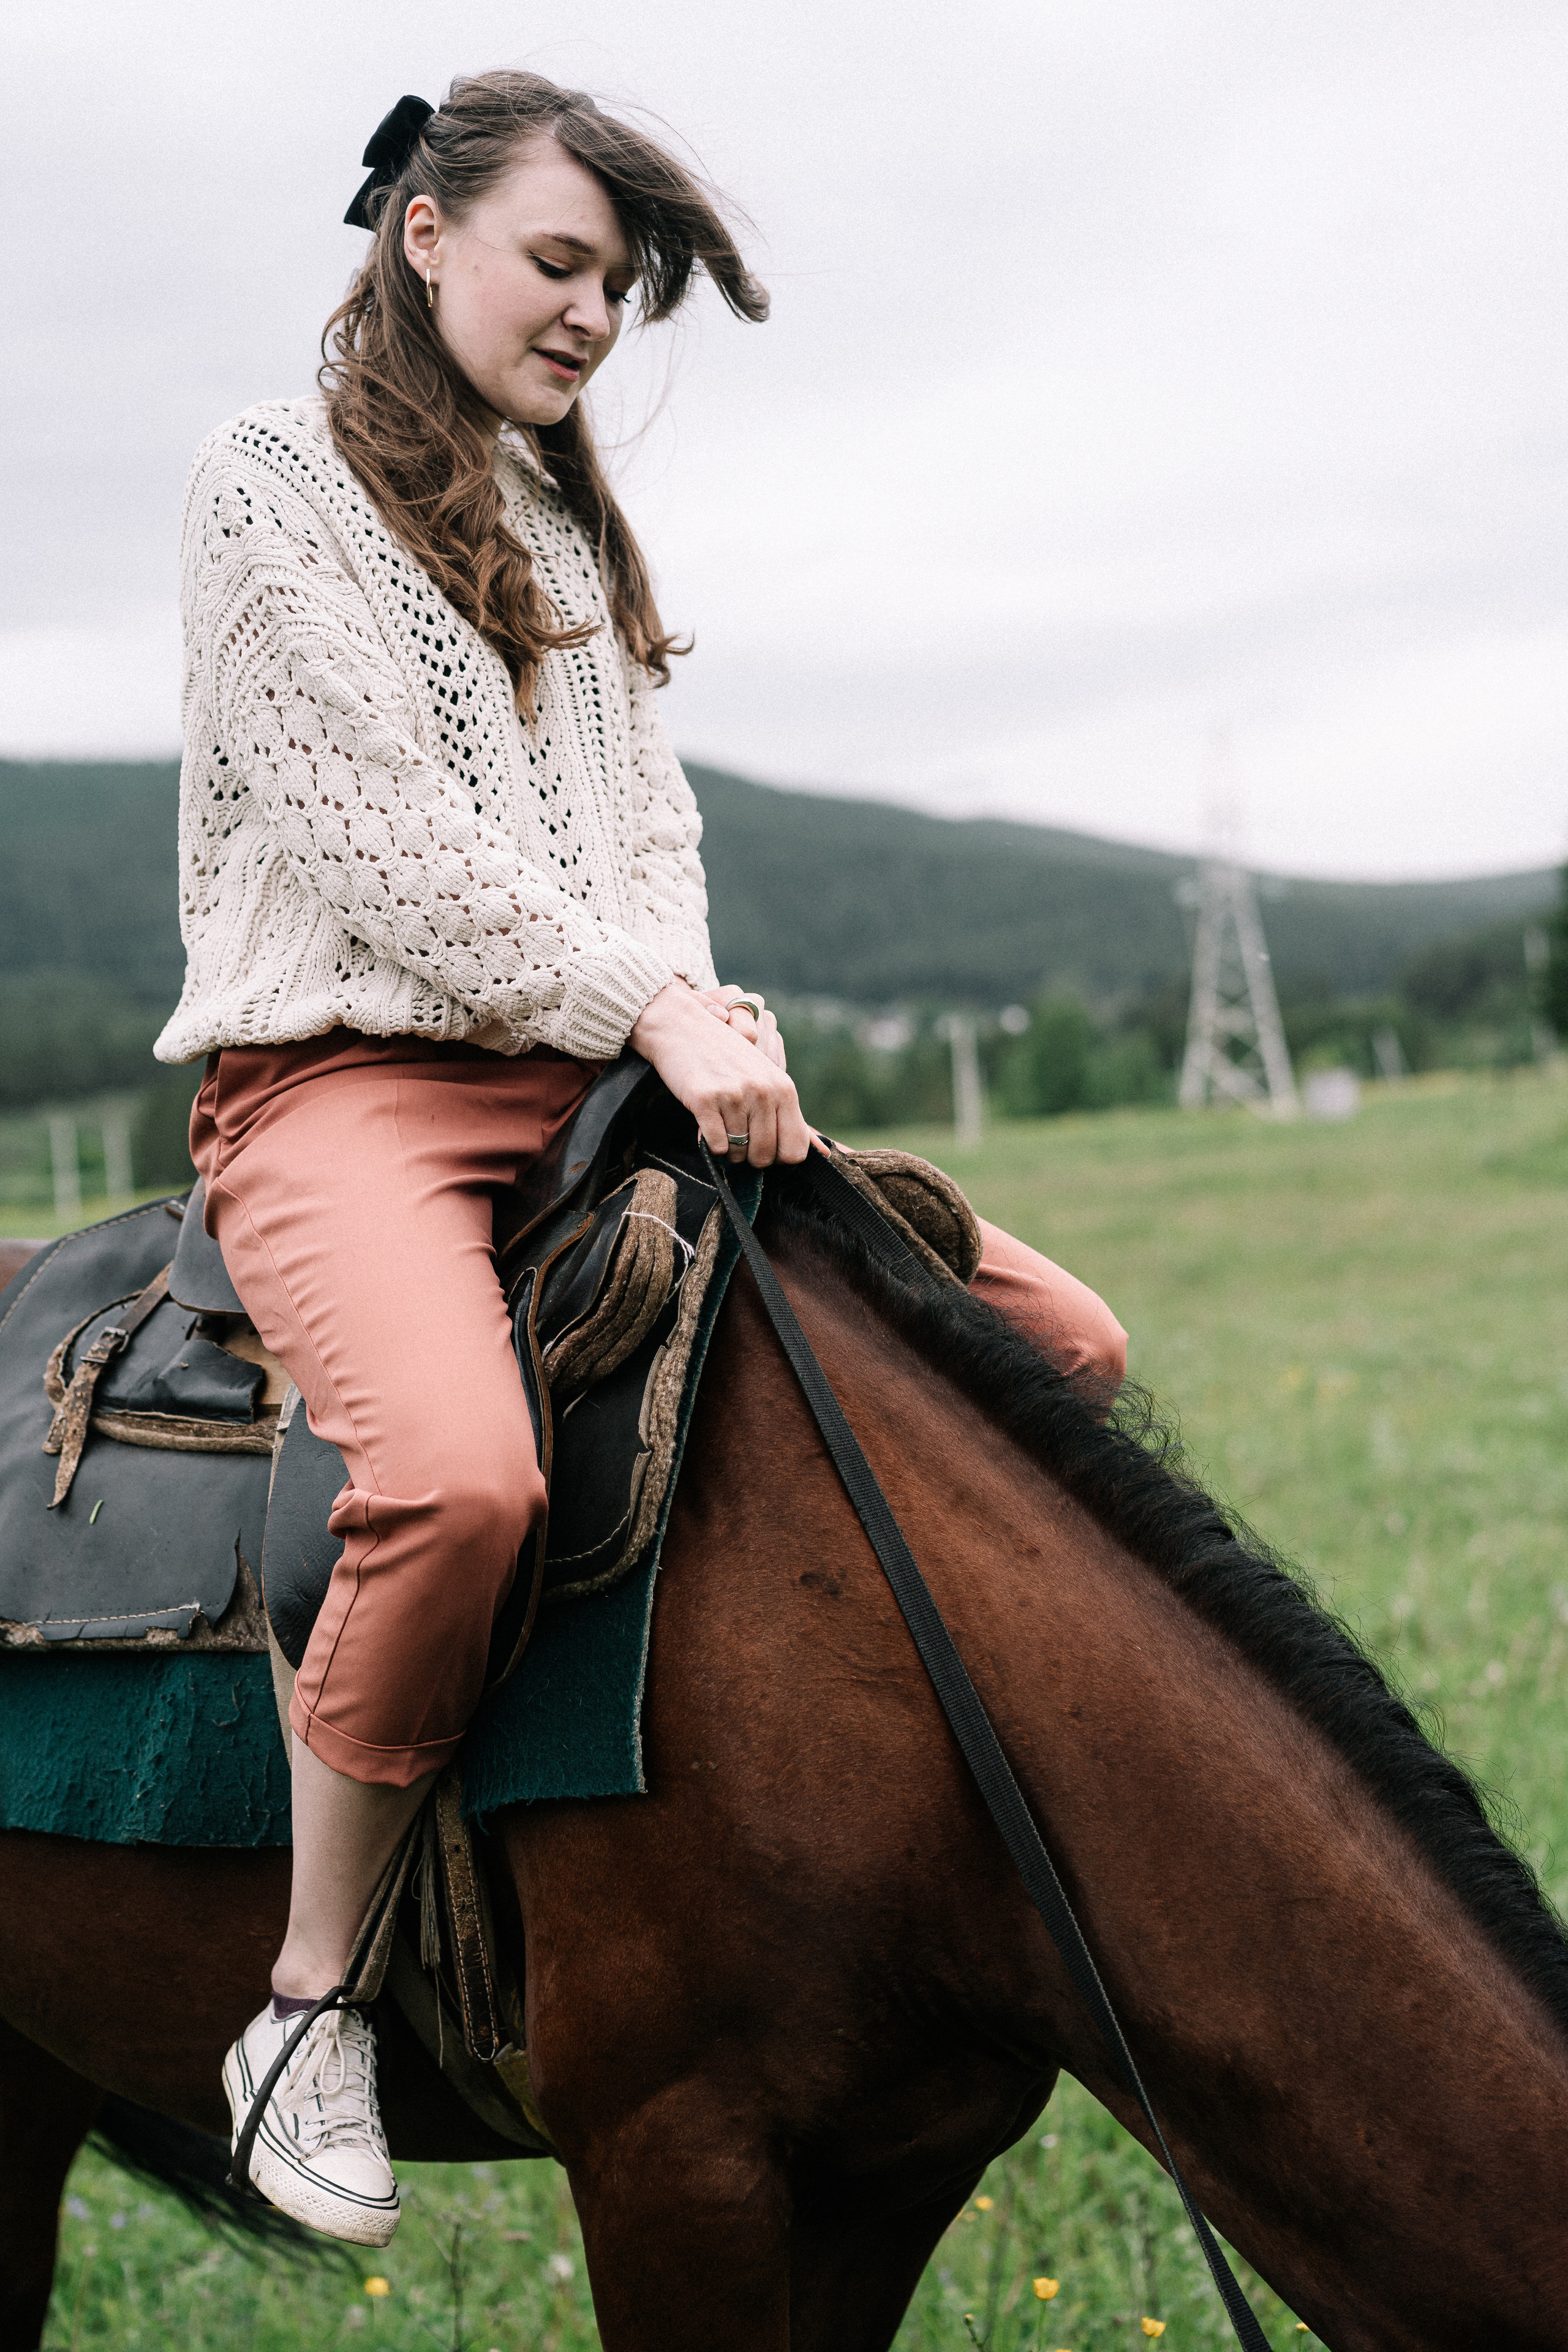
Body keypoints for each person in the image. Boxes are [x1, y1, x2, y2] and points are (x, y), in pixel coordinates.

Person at [157, 71, 1128, 2246]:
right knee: (459, 1478)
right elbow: (372, 844)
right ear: (427, 232)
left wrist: (700, 1016)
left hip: (604, 1075)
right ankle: (307, 2008)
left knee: (1055, 1343)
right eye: (563, 262)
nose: (598, 313)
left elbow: (648, 845)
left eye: (628, 286)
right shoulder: (268, 480)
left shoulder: (574, 527)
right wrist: (645, 1009)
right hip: (348, 1088)